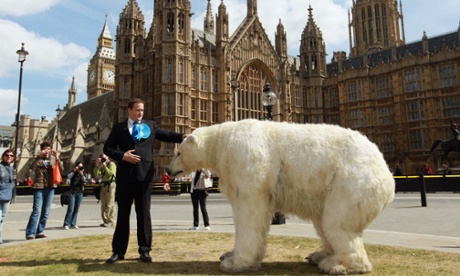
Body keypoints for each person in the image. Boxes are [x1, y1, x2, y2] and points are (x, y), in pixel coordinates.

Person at [103, 98, 186, 263]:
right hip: (125, 177)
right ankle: (118, 251)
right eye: (137, 110)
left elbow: (167, 135)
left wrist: (182, 136)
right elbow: (107, 148)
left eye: (142, 110)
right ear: (129, 110)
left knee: (144, 215)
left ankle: (145, 250)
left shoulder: (150, 125)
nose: (140, 113)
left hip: (145, 176)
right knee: (123, 215)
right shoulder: (119, 128)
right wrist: (123, 156)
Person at [25, 141, 63, 240]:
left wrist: (57, 158)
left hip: (50, 187)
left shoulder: (53, 159)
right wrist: (38, 157)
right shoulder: (38, 158)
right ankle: (30, 232)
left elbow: (61, 169)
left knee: (46, 211)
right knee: (36, 210)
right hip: (39, 186)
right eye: (45, 149)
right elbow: (31, 167)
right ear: (42, 149)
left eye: (49, 149)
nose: (47, 151)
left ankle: (40, 231)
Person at [93, 153, 117, 227]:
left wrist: (105, 167)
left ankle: (111, 221)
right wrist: (97, 165)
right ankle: (105, 221)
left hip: (110, 185)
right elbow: (96, 173)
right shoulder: (101, 166)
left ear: (108, 157)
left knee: (110, 204)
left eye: (105, 158)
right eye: (102, 158)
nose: (104, 159)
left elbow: (111, 174)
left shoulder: (112, 164)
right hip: (103, 185)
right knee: (103, 204)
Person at [63, 162, 87, 229]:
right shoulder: (73, 173)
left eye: (81, 167)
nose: (80, 168)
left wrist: (81, 174)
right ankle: (67, 223)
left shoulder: (82, 174)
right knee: (70, 208)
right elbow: (68, 177)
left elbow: (85, 181)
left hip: (80, 193)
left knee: (76, 209)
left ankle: (73, 223)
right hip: (72, 192)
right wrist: (74, 171)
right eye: (79, 167)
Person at [0, 149, 15, 244]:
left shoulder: (11, 168)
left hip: (7, 194)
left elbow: (12, 181)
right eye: (7, 155)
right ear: (3, 156)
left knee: (3, 217)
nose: (9, 157)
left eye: (11, 155)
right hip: (0, 193)